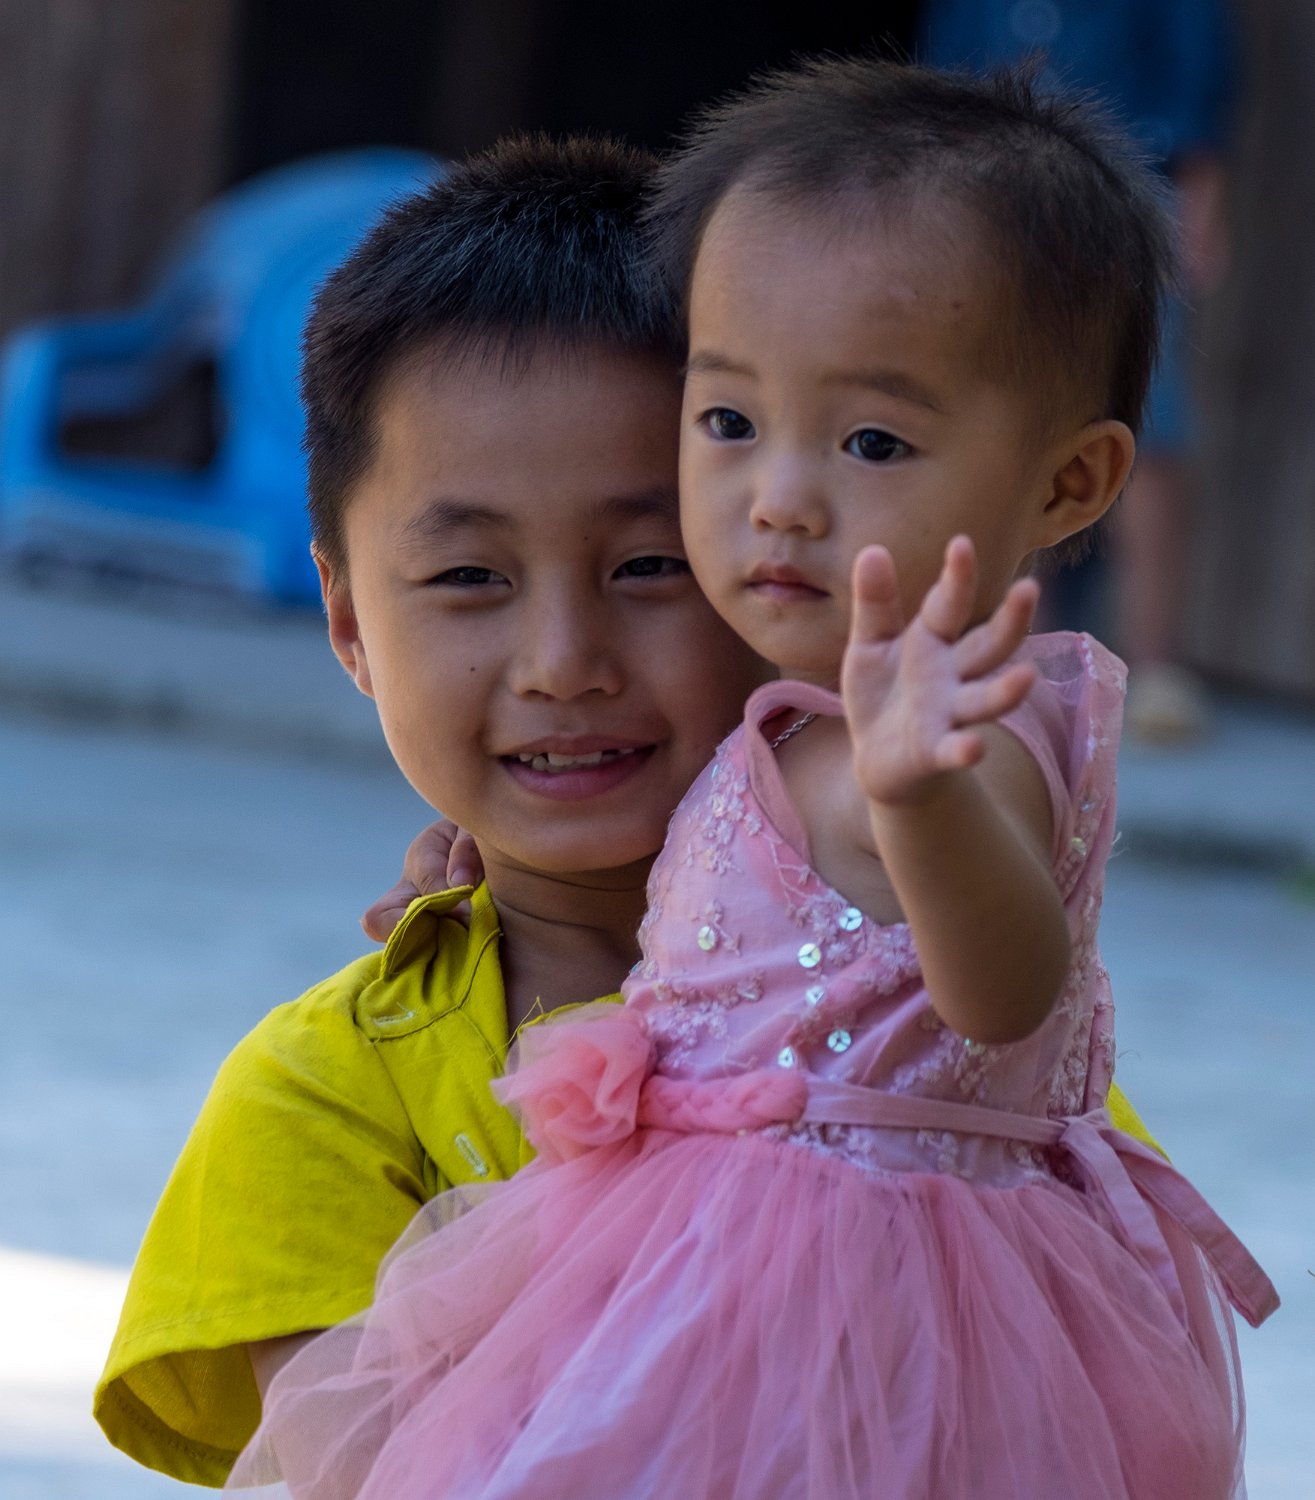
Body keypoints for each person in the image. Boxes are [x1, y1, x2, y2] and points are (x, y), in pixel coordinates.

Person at [230, 58, 1277, 1500]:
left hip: (847, 1316)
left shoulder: (954, 737)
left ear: (1069, 483)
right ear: (347, 617)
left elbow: (1007, 991)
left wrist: (923, 804)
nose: (779, 500)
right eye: (728, 425)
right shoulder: (327, 1081)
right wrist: (486, 863)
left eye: (870, 441)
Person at [93, 135, 767, 1485]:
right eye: (468, 577)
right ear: (348, 621)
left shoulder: (919, 1006)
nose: (563, 661)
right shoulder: (327, 1097)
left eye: (652, 563)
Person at [919, 0, 1238, 742]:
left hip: (1132, 192)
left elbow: (1198, 72)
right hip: (993, 198)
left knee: (1151, 429)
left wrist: (1201, 193)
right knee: (1009, 421)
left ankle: (1157, 665)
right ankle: (1021, 648)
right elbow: (941, 74)